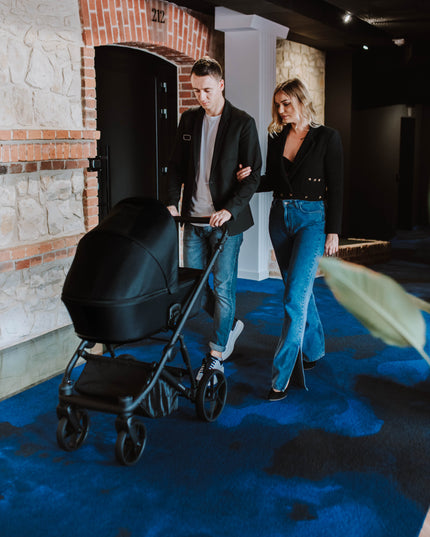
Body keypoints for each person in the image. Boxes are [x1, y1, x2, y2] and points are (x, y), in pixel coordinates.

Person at [237, 78, 343, 401]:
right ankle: (314, 348)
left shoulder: (327, 137)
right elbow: (272, 179)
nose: (281, 111)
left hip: (312, 222)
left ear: (301, 101)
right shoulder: (276, 136)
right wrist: (249, 179)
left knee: (294, 298)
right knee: (298, 291)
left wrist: (334, 231)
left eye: (286, 104)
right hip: (279, 219)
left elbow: (336, 187)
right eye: (278, 105)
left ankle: (280, 377)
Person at [166, 57, 262, 380]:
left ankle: (216, 354)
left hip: (226, 224)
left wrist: (230, 208)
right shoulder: (188, 121)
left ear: (220, 85)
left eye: (207, 90)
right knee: (194, 287)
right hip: (192, 221)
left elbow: (253, 176)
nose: (201, 97)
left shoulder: (242, 123)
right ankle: (230, 322)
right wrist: (170, 203)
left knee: (222, 287)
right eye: (196, 91)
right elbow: (176, 166)